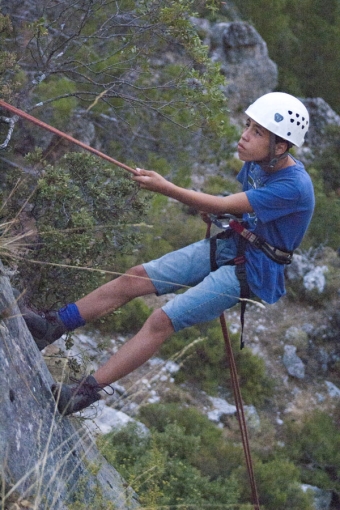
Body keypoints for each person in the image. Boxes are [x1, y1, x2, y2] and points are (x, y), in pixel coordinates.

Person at [18, 92, 315, 416]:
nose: (244, 135)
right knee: (137, 276)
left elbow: (228, 203)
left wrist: (167, 188)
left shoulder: (295, 187)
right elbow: (242, 204)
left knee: (163, 319)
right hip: (235, 243)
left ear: (281, 147)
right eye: (248, 125)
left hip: (254, 269)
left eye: (257, 132)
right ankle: (54, 325)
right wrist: (223, 214)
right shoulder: (258, 163)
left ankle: (84, 393)